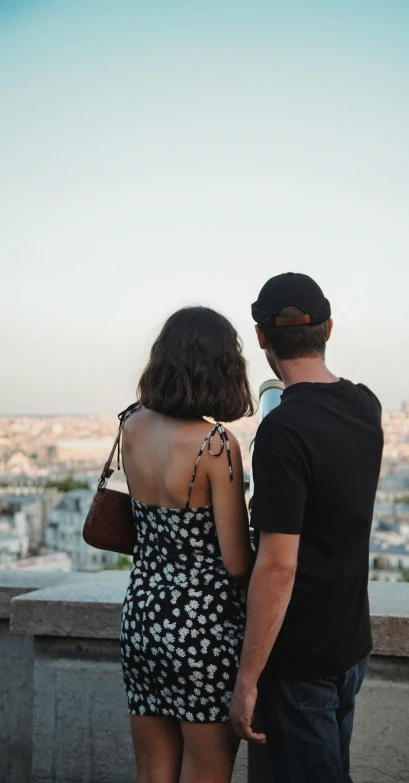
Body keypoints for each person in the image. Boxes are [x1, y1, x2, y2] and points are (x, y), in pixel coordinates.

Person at [230, 273, 383, 783]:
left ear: (261, 337)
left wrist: (247, 681)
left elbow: (277, 564)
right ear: (329, 328)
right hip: (350, 643)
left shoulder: (282, 430)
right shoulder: (367, 406)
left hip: (300, 659)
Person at [120, 306, 254, 783]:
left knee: (153, 772)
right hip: (203, 628)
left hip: (142, 615)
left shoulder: (130, 425)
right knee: (207, 774)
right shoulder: (216, 444)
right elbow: (236, 561)